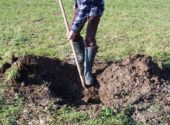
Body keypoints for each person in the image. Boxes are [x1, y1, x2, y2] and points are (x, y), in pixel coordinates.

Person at [68, 0, 104, 86]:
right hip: (80, 7)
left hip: (94, 8)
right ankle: (83, 60)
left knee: (90, 40)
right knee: (73, 34)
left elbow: (84, 9)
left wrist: (74, 30)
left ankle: (87, 71)